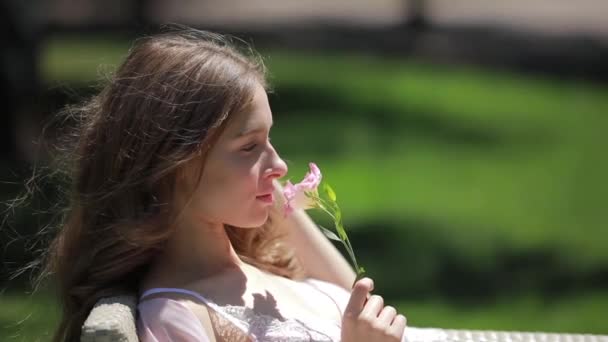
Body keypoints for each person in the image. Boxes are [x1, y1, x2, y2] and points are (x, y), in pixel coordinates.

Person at [39, 29, 408, 342]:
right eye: (249, 146)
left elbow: (353, 296)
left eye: (269, 140)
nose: (280, 166)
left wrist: (268, 187)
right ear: (174, 165)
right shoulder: (177, 316)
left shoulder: (265, 264)